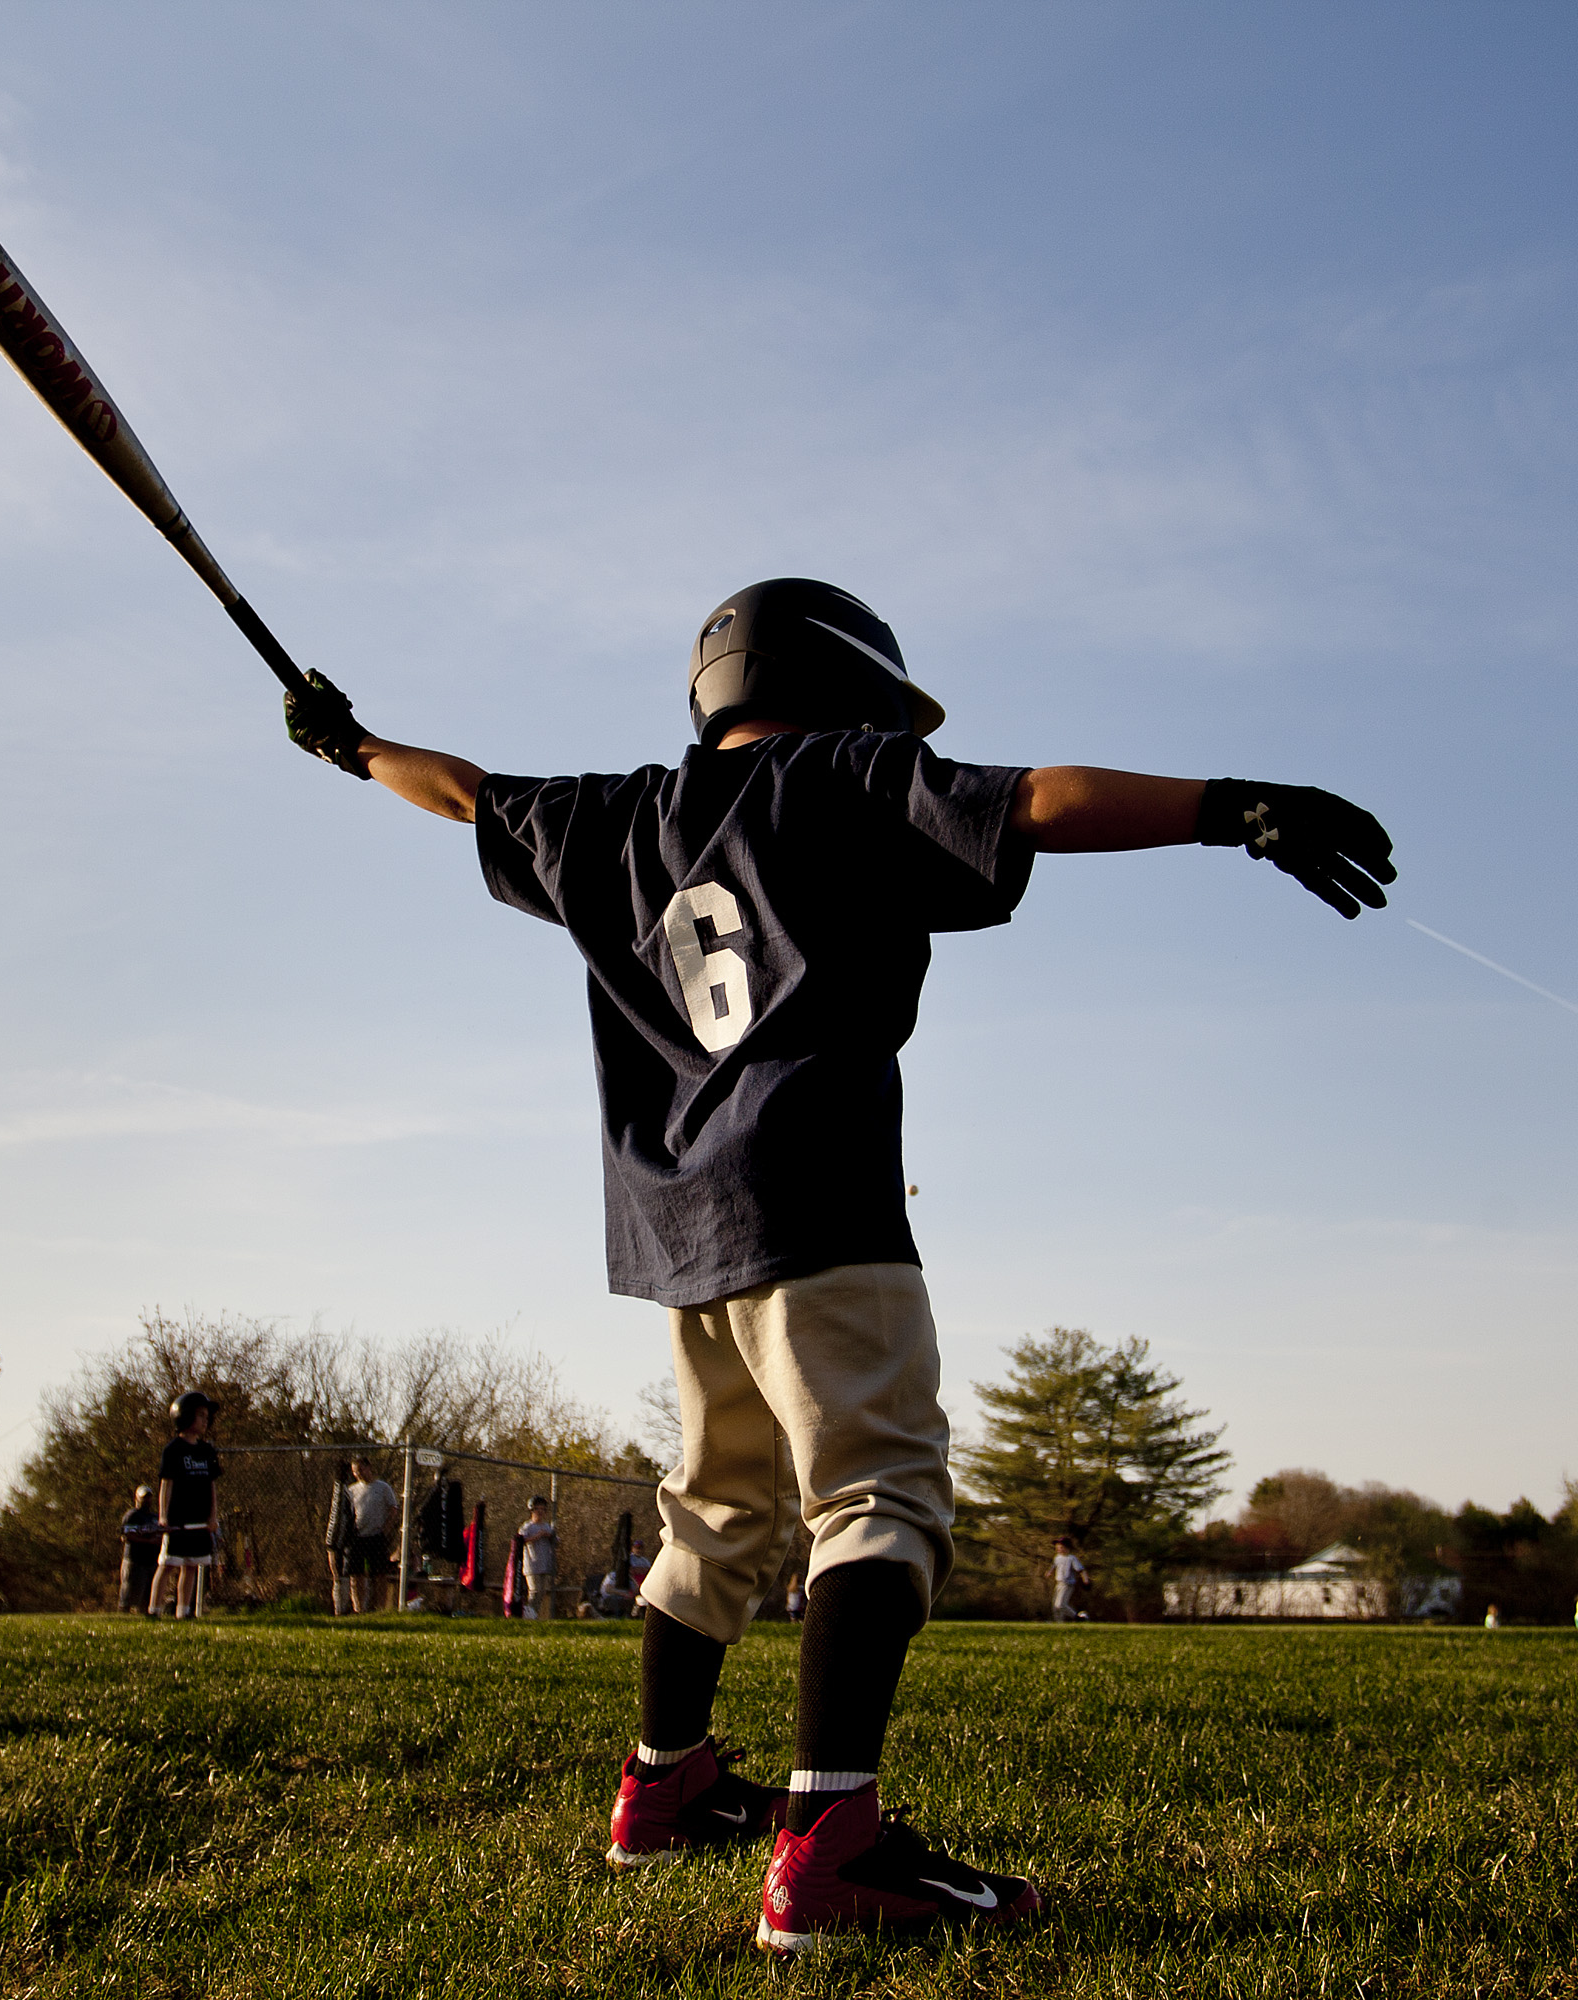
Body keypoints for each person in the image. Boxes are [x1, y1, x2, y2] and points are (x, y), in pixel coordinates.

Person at [279, 575, 1395, 1949]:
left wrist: (353, 747)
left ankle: (664, 1785)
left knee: (718, 1516)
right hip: (818, 1204)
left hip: (676, 1234)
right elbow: (1036, 800)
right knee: (880, 1496)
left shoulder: (612, 814)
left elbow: (458, 791)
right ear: (847, 685)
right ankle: (832, 1844)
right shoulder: (850, 777)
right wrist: (1231, 806)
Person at [155, 1390, 221, 1620]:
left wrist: (213, 1516)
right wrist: (163, 1516)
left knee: (192, 1566)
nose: (205, 1421)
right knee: (169, 1564)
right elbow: (167, 1484)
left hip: (199, 1520)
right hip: (177, 1520)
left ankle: (183, 1611)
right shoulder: (173, 1450)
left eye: (206, 1416)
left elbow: (211, 1486)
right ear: (185, 1417)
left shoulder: (206, 1451)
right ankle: (154, 1609)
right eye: (201, 1415)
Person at [330, 1455, 398, 1614]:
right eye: (355, 1471)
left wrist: (385, 1530)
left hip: (376, 1537)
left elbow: (393, 1509)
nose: (358, 1474)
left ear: (369, 1468)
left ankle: (381, 1609)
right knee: (356, 1575)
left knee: (380, 1575)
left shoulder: (382, 1487)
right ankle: (359, 1609)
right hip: (357, 1538)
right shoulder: (352, 1490)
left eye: (360, 1470)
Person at [119, 1484, 164, 1615]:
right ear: (137, 1498)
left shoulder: (155, 1517)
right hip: (135, 1559)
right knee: (130, 1590)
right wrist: (148, 1541)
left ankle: (146, 1613)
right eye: (144, 1497)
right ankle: (124, 1614)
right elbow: (127, 1535)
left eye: (149, 1497)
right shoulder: (132, 1515)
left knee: (149, 1592)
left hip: (152, 1559)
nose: (147, 1500)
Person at [515, 1495, 558, 1620]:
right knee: (534, 1591)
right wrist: (537, 1536)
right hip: (532, 1564)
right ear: (532, 1510)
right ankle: (528, 1616)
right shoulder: (527, 1526)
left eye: (542, 1509)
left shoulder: (547, 1526)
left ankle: (534, 1616)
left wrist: (550, 1536)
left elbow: (556, 1542)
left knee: (542, 1593)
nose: (540, 1512)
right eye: (537, 1509)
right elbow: (519, 1541)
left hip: (545, 1564)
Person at [1051, 1537, 1089, 1624]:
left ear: (1067, 1548)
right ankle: (1059, 1624)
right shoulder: (1057, 1558)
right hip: (1058, 1584)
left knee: (1060, 1604)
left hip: (1067, 1584)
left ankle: (1077, 1617)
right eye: (1057, 1547)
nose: (1058, 1549)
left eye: (1061, 1547)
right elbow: (1053, 1566)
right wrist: (1049, 1572)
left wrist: (1085, 1580)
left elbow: (1081, 1570)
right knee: (1055, 1606)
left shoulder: (1071, 1558)